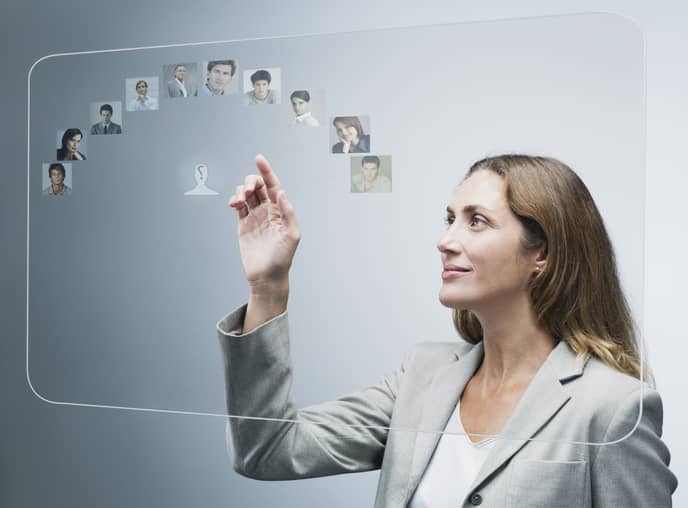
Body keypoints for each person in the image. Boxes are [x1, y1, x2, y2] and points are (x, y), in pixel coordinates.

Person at [218, 154, 677, 507]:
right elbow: (267, 448)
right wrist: (269, 287)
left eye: (476, 221)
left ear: (543, 254)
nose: (446, 239)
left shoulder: (612, 407)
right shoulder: (422, 375)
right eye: (450, 218)